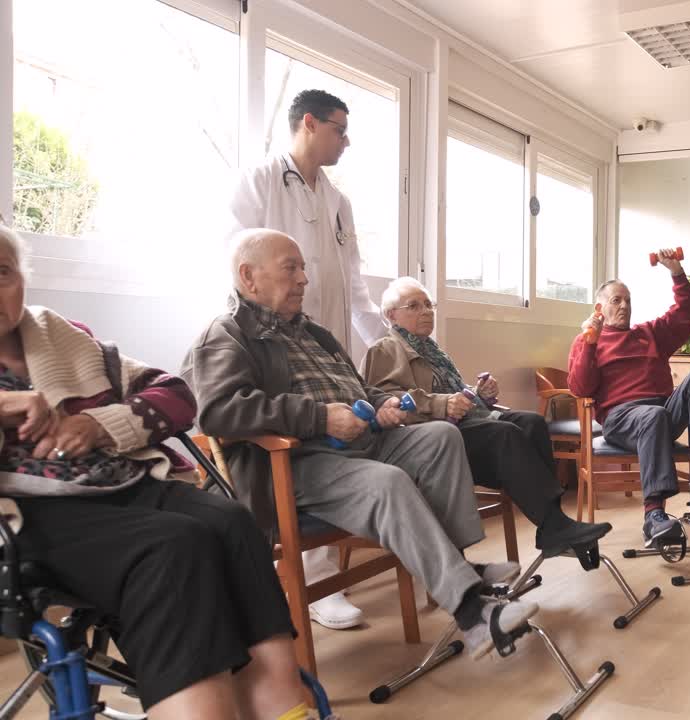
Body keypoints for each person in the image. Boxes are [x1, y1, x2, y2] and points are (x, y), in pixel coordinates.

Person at [0, 226, 313, 720]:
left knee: (233, 521)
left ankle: (280, 704)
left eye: (2, 272)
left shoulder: (61, 335)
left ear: (22, 278)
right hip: (31, 515)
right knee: (173, 545)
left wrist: (96, 424)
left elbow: (176, 394)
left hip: (124, 481)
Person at [181, 230, 537, 660]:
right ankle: (473, 613)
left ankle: (460, 567)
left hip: (359, 443)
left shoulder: (313, 332)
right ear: (248, 276)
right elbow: (218, 411)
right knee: (386, 482)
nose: (303, 279)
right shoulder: (226, 333)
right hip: (294, 463)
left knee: (441, 436)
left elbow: (357, 388)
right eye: (290, 268)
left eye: (303, 268)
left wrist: (381, 405)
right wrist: (319, 416)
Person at [228, 89, 385, 629]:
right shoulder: (260, 180)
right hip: (273, 340)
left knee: (336, 448)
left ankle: (323, 577)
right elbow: (235, 259)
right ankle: (304, 581)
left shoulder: (338, 201)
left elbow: (355, 281)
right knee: (298, 451)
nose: (346, 139)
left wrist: (384, 341)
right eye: (340, 129)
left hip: (325, 341)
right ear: (309, 124)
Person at [362, 277, 612, 555]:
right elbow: (386, 400)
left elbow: (452, 394)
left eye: (428, 304)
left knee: (533, 422)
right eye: (414, 306)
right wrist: (442, 404)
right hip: (436, 436)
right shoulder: (385, 349)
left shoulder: (432, 350)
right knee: (506, 434)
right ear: (390, 315)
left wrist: (479, 393)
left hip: (467, 423)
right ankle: (556, 527)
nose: (426, 311)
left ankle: (553, 525)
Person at [568, 249, 690, 548]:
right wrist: (590, 341)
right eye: (616, 300)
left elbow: (686, 315)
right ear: (599, 307)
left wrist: (677, 273)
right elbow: (580, 387)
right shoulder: (588, 340)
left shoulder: (649, 333)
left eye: (628, 300)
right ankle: (653, 515)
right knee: (652, 416)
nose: (624, 305)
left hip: (663, 412)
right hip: (621, 419)